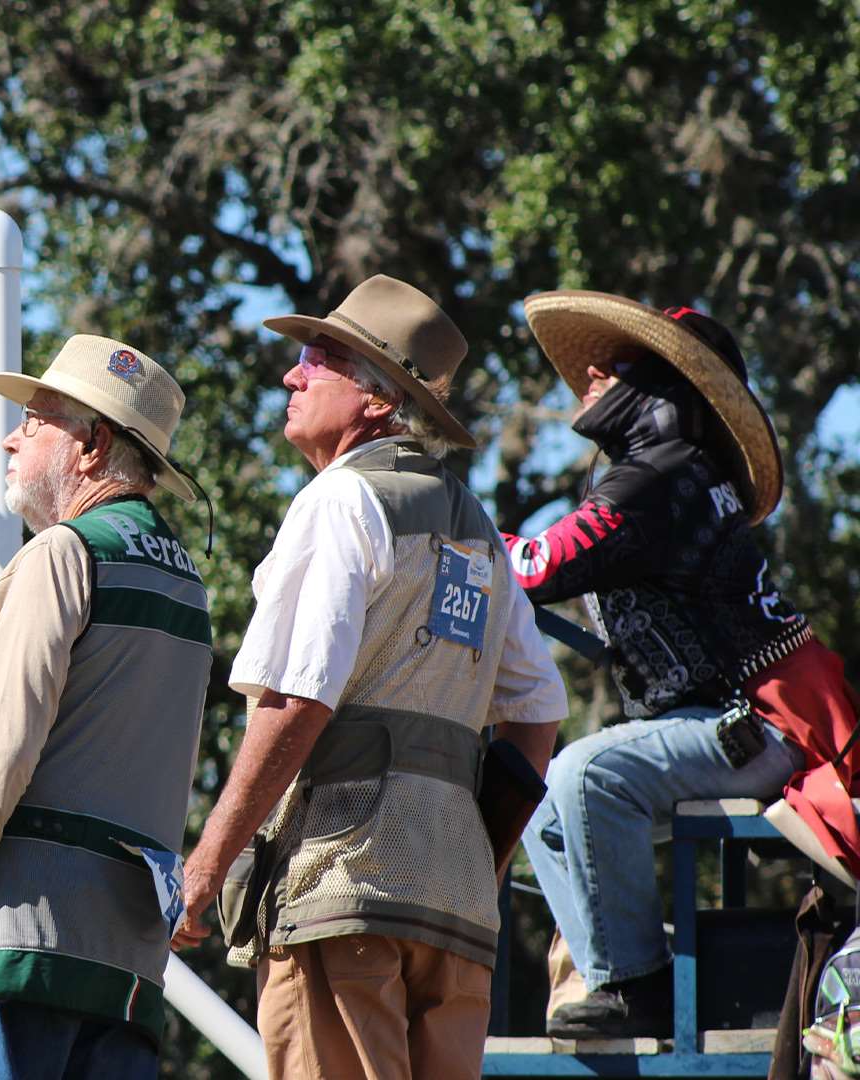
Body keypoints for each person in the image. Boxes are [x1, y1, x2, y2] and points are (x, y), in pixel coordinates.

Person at [173, 275, 568, 1080]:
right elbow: (539, 713)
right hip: (452, 910)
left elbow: (296, 699)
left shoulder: (340, 503)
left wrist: (207, 864)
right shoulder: (481, 536)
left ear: (377, 402)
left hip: (343, 888)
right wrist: (477, 857)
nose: (293, 375)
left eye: (320, 360)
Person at [503, 292, 860, 1038]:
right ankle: (619, 977)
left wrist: (453, 533)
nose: (592, 373)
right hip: (723, 728)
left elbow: (534, 567)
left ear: (667, 386)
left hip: (758, 733)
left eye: (617, 363)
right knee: (542, 809)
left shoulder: (659, 479)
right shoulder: (675, 472)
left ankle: (637, 988)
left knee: (583, 774)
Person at [0, 334, 213, 1079]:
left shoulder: (62, 554)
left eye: (36, 420)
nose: (12, 435)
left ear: (93, 445)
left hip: (20, 944)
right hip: (126, 969)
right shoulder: (187, 585)